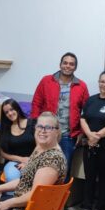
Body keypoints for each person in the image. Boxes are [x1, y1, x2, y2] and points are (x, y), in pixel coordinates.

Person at [31, 52, 89, 182]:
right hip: (46, 134)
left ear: (75, 67)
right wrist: (36, 127)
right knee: (42, 168)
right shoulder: (46, 80)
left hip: (68, 136)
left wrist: (81, 132)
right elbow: (36, 103)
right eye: (65, 63)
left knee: (63, 170)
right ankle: (42, 200)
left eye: (71, 64)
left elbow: (85, 112)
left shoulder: (81, 86)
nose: (68, 66)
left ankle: (60, 201)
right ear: (60, 64)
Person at [76, 71, 105, 210]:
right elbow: (83, 119)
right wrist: (90, 135)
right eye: (102, 81)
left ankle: (100, 208)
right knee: (89, 178)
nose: (104, 84)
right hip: (89, 145)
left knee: (103, 178)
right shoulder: (91, 100)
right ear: (99, 82)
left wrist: (97, 136)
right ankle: (87, 207)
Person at [0, 98, 35, 184]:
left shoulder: (33, 123)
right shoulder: (6, 128)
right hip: (13, 162)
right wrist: (21, 159)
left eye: (12, 109)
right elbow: (2, 152)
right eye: (6, 112)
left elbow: (41, 146)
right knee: (12, 177)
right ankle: (11, 196)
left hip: (34, 160)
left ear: (17, 108)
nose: (10, 113)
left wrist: (29, 161)